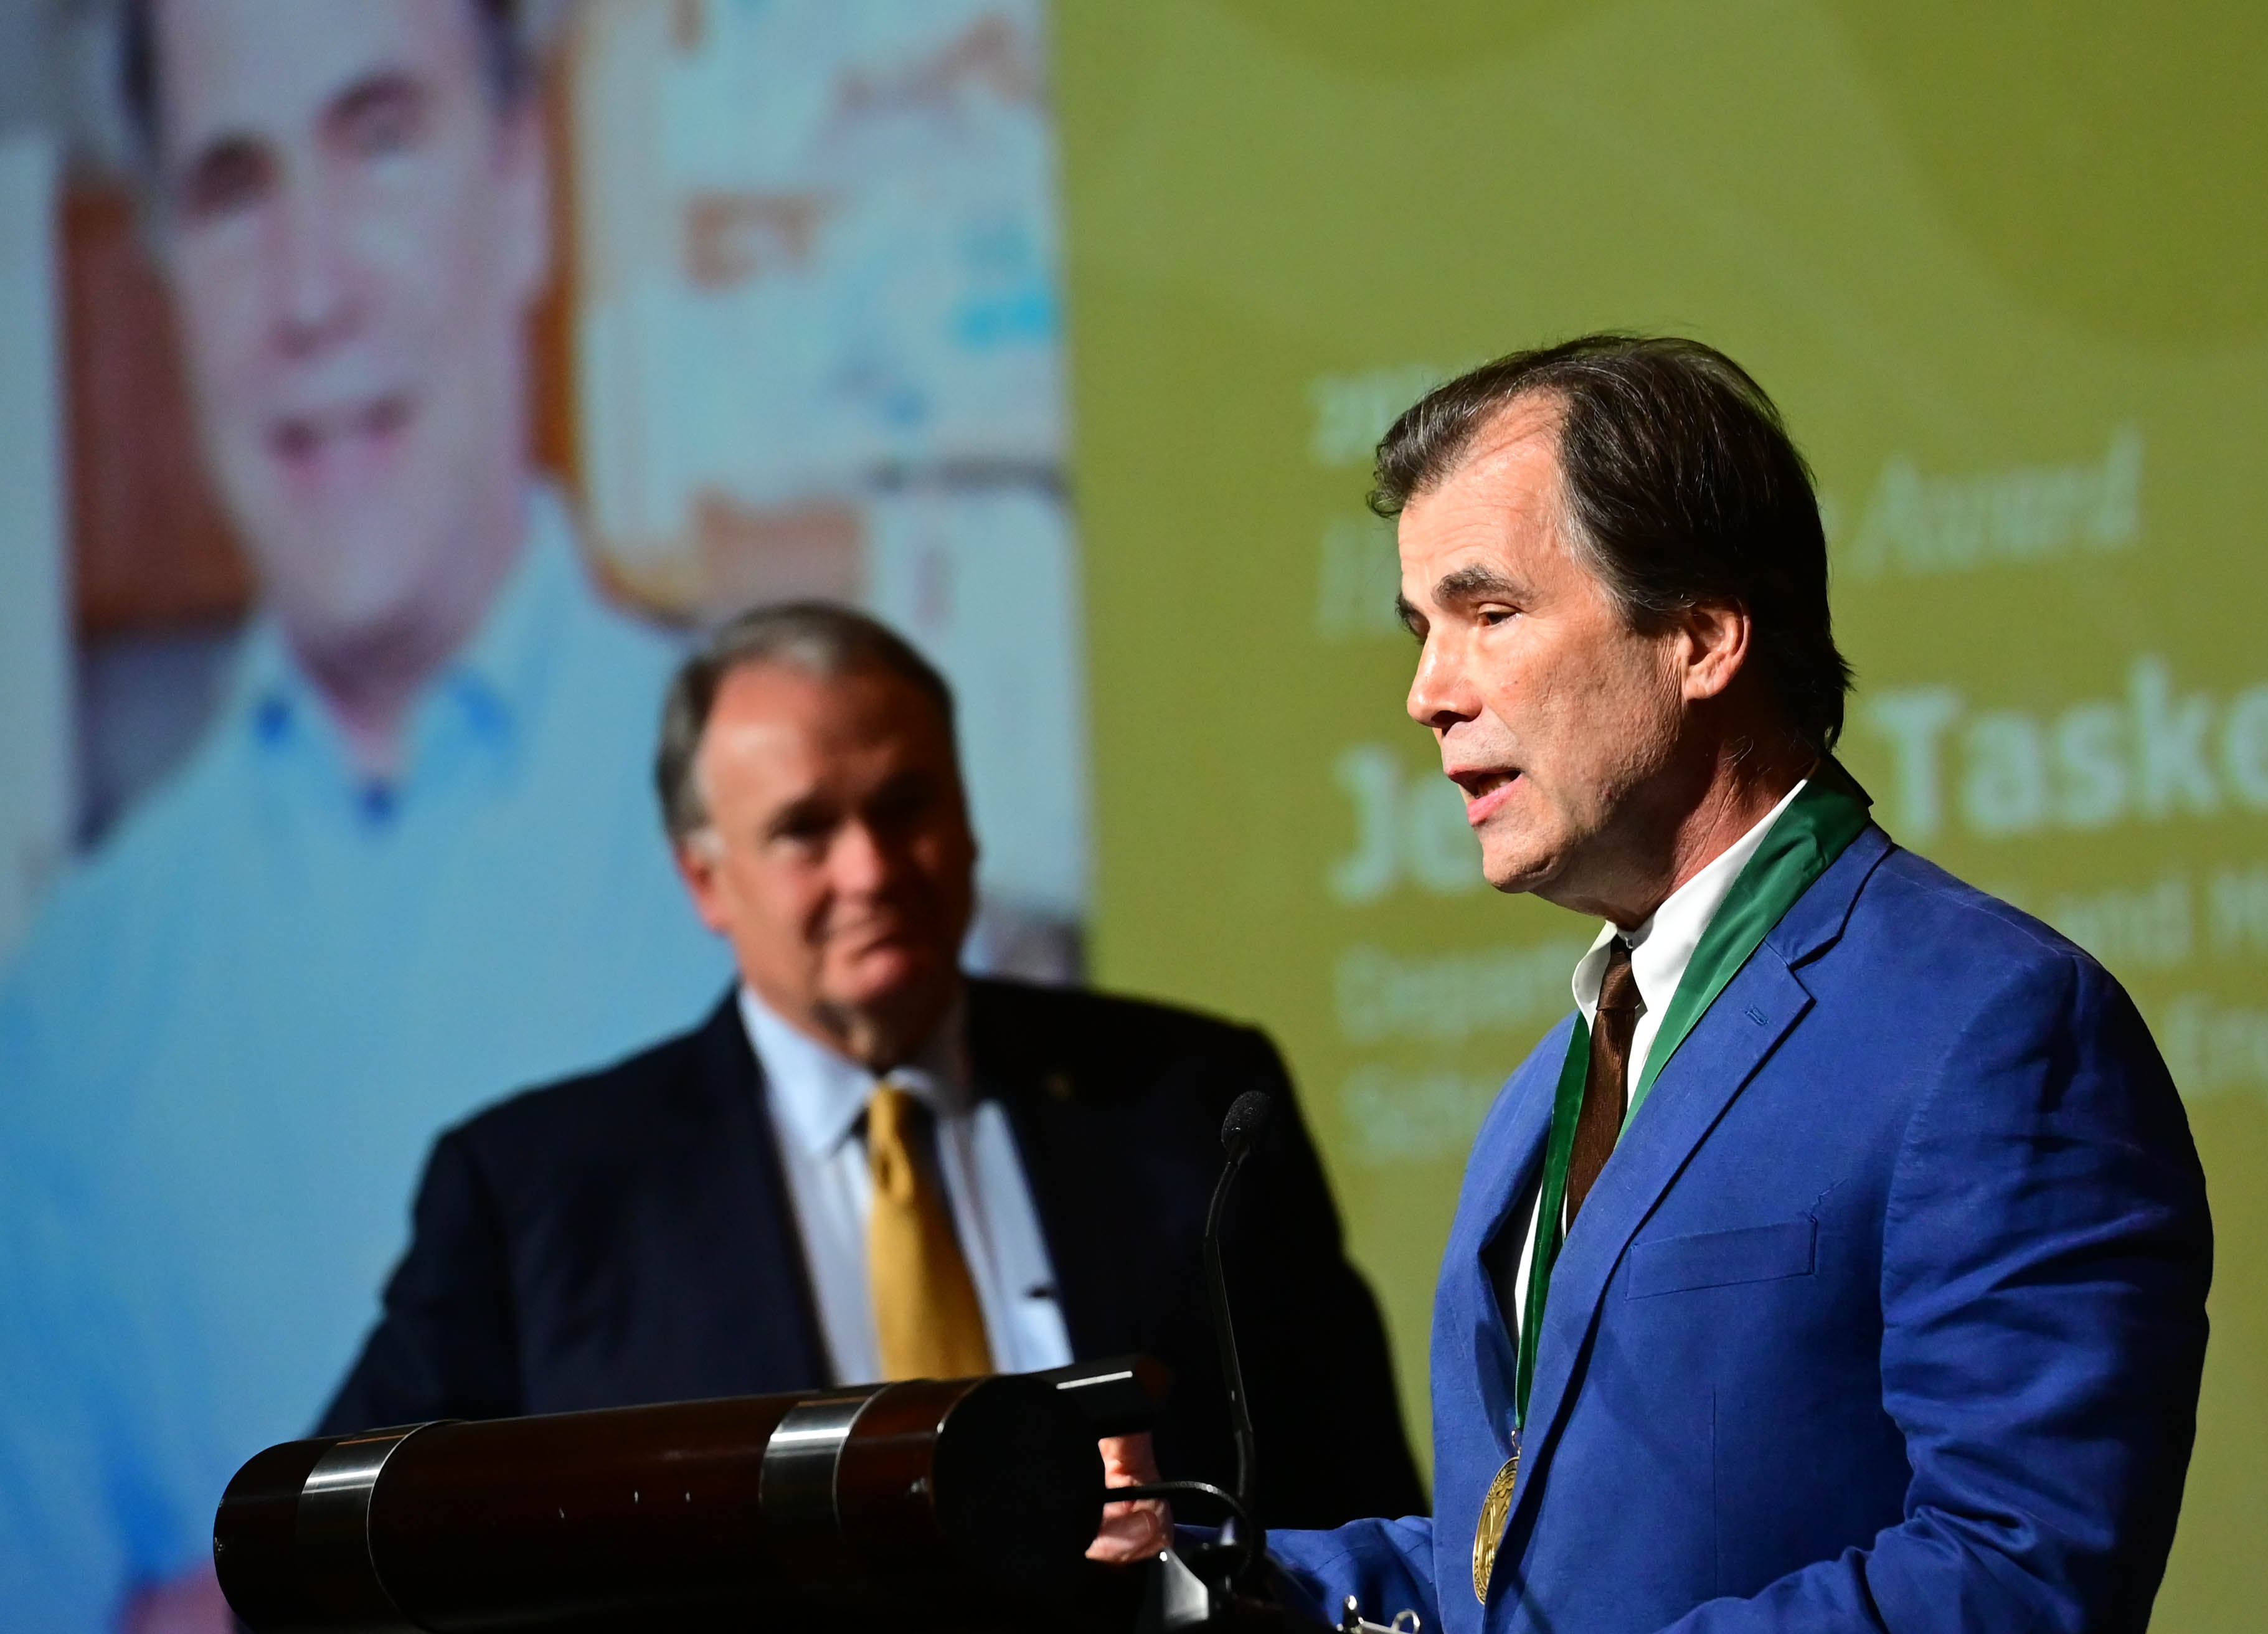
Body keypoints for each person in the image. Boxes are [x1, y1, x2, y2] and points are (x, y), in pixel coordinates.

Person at [1242, 336, 2213, 1633]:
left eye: (1489, 614)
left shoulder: (1993, 1031)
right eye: (1423, 630)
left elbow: (2019, 1574)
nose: (1428, 693)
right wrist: (1201, 1579)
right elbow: (1523, 1576)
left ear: (1701, 637)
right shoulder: (1558, 1077)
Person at [0, 4, 730, 1629]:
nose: (311, 290)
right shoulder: (69, 1019)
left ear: (526, 181)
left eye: (380, 137)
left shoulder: (802, 839)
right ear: (169, 272)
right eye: (233, 185)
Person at [319, 602, 1424, 1552]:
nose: (873, 871)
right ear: (707, 880)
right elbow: (326, 1551)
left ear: (969, 817)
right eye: (806, 830)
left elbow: (1365, 1514)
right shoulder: (534, 1198)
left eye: (906, 807)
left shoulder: (1189, 1101)